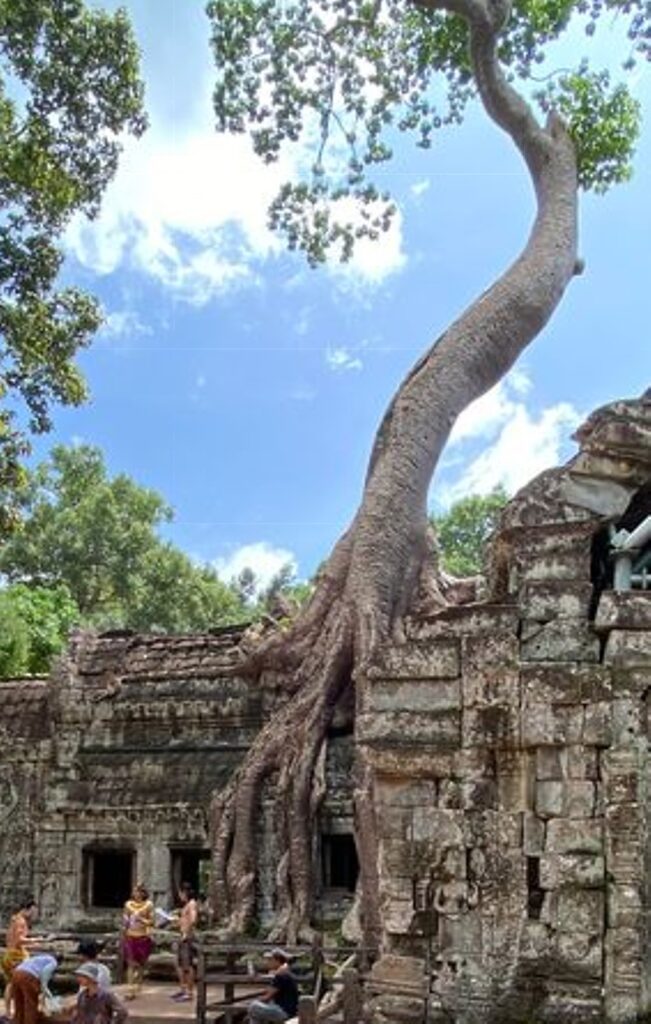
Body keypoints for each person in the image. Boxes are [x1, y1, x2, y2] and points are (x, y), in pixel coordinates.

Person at [1, 897, 39, 1016]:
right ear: (26, 909)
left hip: (12, 953)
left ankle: (13, 1009)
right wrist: (35, 940)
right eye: (32, 911)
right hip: (15, 956)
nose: (33, 914)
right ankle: (11, 1010)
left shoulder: (15, 919)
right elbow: (19, 939)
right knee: (15, 983)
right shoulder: (20, 921)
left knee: (13, 983)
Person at [247, 949, 298, 1023]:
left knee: (253, 1007)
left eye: (270, 960)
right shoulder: (285, 972)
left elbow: (267, 997)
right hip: (288, 1010)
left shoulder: (281, 975)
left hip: (284, 1012)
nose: (268, 962)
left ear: (277, 961)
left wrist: (254, 1001)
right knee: (256, 1012)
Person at [121, 884, 154, 1000]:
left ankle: (137, 984)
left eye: (138, 892)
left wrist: (140, 919)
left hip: (143, 936)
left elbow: (151, 921)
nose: (136, 894)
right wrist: (125, 924)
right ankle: (130, 989)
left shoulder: (148, 905)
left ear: (143, 893)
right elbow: (125, 919)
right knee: (130, 963)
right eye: (134, 892)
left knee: (140, 964)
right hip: (130, 936)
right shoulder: (128, 904)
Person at [170, 883, 198, 1003]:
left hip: (188, 937)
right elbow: (186, 920)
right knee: (179, 964)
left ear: (184, 892)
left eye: (181, 893)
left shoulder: (192, 904)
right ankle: (183, 989)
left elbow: (193, 919)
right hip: (183, 935)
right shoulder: (186, 905)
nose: (180, 896)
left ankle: (190, 992)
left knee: (188, 965)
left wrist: (187, 932)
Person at [12, 953, 56, 1024]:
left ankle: (17, 1021)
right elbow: (45, 973)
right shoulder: (53, 961)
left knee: (19, 1002)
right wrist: (45, 988)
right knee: (30, 1004)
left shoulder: (38, 958)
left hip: (16, 973)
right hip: (28, 976)